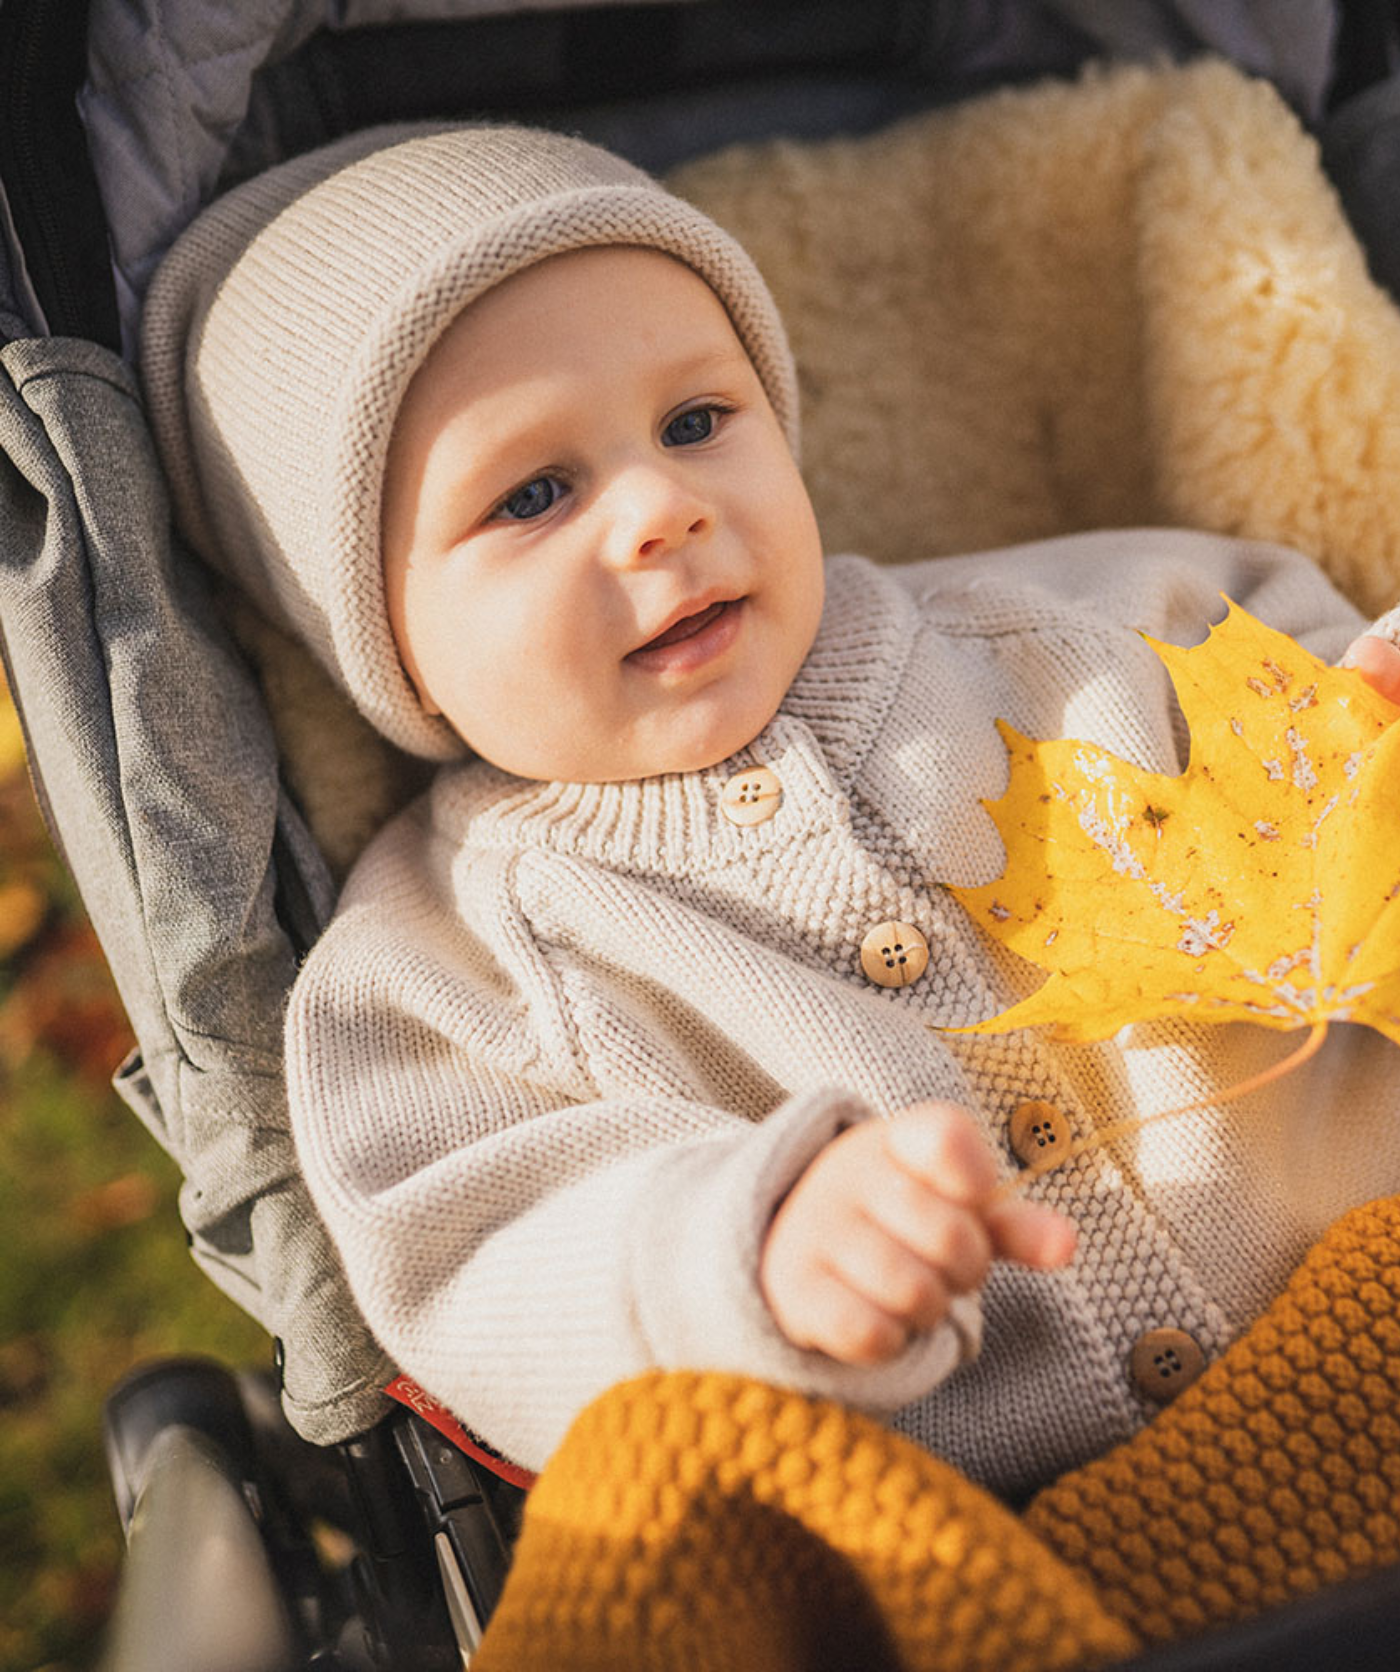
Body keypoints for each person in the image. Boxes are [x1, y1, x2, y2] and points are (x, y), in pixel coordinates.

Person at [142, 122, 1400, 1496]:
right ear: (380, 641)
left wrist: (1370, 726)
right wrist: (744, 1255)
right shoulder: (436, 972)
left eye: (696, 423)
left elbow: (1315, 701)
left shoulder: (1090, 629)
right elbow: (479, 1256)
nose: (663, 508)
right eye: (534, 495)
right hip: (982, 1538)